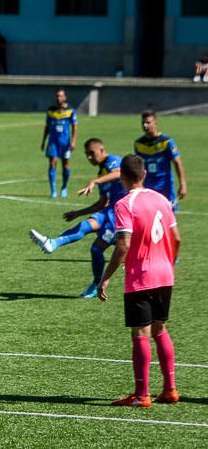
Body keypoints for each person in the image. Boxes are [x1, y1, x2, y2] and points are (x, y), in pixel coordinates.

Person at [98, 155, 180, 407]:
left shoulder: (125, 204)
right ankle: (170, 389)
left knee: (140, 334)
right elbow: (176, 238)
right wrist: (168, 263)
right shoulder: (161, 199)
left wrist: (106, 277)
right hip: (165, 275)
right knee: (160, 330)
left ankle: (142, 394)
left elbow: (123, 245)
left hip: (141, 277)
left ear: (122, 177)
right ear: (144, 174)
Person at [29, 138, 126, 298]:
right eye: (86, 154)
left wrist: (94, 181)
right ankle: (52, 243)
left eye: (91, 153)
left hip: (120, 213)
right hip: (108, 210)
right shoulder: (102, 171)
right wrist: (78, 212)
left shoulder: (113, 161)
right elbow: (101, 203)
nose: (88, 157)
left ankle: (96, 284)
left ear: (102, 151)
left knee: (96, 249)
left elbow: (118, 173)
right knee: (84, 225)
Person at [134, 110, 187, 211]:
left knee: (170, 216)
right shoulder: (138, 144)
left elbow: (177, 162)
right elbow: (138, 166)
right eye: (143, 123)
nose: (145, 125)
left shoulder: (166, 141)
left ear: (155, 123)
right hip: (148, 186)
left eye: (148, 122)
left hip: (165, 186)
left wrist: (182, 184)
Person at [41, 88, 78, 198]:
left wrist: (73, 141)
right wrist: (43, 141)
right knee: (52, 163)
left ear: (65, 97)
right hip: (53, 142)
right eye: (57, 96)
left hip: (65, 143)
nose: (59, 98)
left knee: (65, 165)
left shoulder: (70, 110)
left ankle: (64, 187)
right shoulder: (51, 111)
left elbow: (74, 127)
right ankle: (53, 190)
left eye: (61, 96)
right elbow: (47, 127)